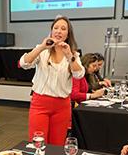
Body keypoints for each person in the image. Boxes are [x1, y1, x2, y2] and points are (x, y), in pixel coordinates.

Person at [19, 16, 85, 145]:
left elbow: (79, 74)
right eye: (55, 28)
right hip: (40, 104)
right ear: (51, 31)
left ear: (68, 34)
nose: (58, 31)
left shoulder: (73, 54)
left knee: (57, 145)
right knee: (38, 144)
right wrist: (42, 47)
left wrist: (69, 55)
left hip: (62, 106)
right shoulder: (42, 50)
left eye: (63, 28)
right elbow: (24, 63)